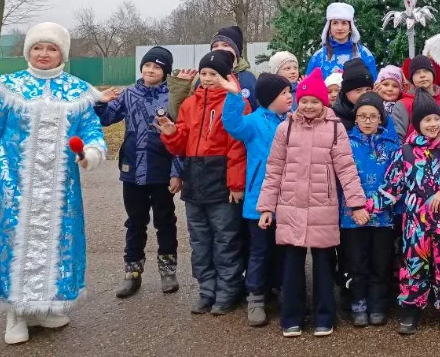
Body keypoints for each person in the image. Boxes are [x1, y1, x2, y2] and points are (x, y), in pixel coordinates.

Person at [0, 22, 108, 345]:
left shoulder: (78, 91)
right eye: (38, 47)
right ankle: (16, 313)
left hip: (60, 192)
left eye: (51, 48)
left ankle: (42, 307)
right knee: (15, 246)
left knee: (56, 245)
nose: (44, 54)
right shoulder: (7, 89)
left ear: (62, 54)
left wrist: (91, 153)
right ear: (28, 51)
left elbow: (93, 130)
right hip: (15, 190)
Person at [256, 69, 369, 338]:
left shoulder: (335, 128)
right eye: (304, 100)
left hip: (323, 207)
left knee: (323, 266)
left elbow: (346, 168)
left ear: (324, 103)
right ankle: (291, 317)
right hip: (291, 206)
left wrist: (356, 204)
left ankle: (323, 316)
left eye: (314, 101)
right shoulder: (286, 127)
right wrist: (266, 207)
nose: (308, 106)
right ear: (298, 100)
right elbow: (274, 169)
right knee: (292, 266)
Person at [366, 89, 440, 337]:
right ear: (417, 123)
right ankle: (411, 310)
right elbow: (391, 188)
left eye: (436, 119)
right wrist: (367, 207)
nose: (433, 124)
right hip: (415, 224)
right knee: (414, 267)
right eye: (427, 120)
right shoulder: (405, 153)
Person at [157, 50, 247, 316]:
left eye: (214, 75)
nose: (208, 79)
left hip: (221, 181)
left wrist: (235, 184)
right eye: (204, 74)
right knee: (199, 240)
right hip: (195, 181)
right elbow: (182, 143)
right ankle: (206, 289)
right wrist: (171, 133)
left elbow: (237, 148)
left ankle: (228, 290)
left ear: (226, 77)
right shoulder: (189, 104)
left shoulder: (235, 103)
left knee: (225, 239)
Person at [96, 46, 180, 299]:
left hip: (161, 168)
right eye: (146, 66)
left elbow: (180, 135)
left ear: (165, 71)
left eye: (156, 67)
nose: (150, 70)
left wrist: (177, 170)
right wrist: (100, 103)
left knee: (165, 220)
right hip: (132, 169)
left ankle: (168, 271)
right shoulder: (130, 94)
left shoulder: (173, 97)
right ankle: (132, 272)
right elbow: (107, 118)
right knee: (135, 221)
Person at [221, 72, 292, 327]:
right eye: (284, 93)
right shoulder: (253, 123)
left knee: (285, 251)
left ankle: (287, 293)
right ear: (271, 98)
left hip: (288, 200)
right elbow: (231, 124)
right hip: (258, 200)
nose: (289, 97)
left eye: (289, 92)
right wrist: (233, 96)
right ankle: (256, 298)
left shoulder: (293, 121)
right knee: (259, 251)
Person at [339, 93, 400, 327]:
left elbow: (396, 180)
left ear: (380, 119)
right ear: (355, 118)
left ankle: (377, 304)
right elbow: (341, 178)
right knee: (356, 263)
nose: (367, 121)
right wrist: (356, 207)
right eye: (362, 116)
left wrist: (374, 206)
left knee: (380, 263)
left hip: (382, 217)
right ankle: (358, 304)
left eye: (372, 116)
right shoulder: (344, 142)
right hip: (351, 216)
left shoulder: (391, 144)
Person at [167, 26, 260, 118]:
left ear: (237, 50)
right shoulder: (199, 79)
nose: (219, 48)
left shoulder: (253, 77)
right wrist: (180, 86)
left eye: (226, 45)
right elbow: (180, 116)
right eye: (215, 46)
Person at [306, 2, 378, 79]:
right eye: (335, 23)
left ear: (350, 27)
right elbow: (308, 87)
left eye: (344, 23)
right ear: (329, 27)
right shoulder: (319, 56)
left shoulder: (364, 54)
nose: (339, 28)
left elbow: (373, 85)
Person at [332, 58, 376, 133]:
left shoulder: (379, 111)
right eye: (358, 90)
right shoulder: (333, 117)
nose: (364, 94)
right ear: (346, 92)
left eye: (368, 89)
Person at [400, 54, 440, 120]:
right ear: (412, 78)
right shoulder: (402, 105)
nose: (422, 75)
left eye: (426, 71)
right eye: (417, 72)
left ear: (433, 74)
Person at [374, 65, 410, 138]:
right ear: (377, 85)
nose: (390, 89)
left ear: (400, 90)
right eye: (385, 84)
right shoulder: (370, 105)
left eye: (395, 86)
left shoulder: (402, 108)